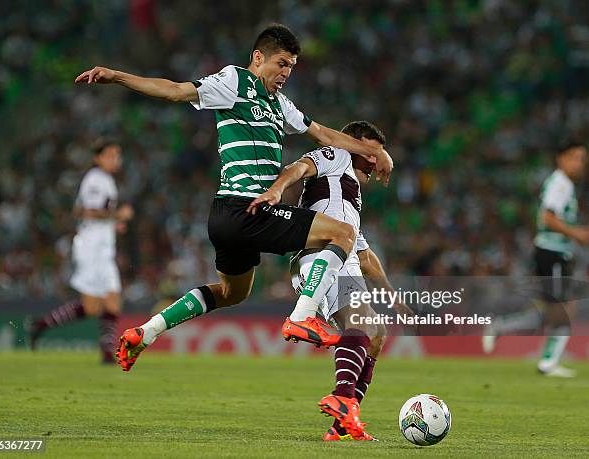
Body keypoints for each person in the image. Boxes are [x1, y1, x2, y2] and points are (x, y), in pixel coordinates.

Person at [74, 24, 394, 371]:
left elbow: (322, 133)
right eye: (281, 63)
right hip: (246, 207)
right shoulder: (234, 82)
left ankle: (147, 332)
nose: (286, 73)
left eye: (291, 67)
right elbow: (176, 91)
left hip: (228, 217)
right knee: (342, 233)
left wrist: (375, 152)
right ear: (258, 58)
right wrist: (117, 76)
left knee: (232, 293)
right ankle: (303, 315)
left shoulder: (280, 105)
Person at [249, 120, 412, 440]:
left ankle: (342, 422)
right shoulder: (336, 155)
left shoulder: (348, 199)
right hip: (322, 257)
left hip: (344, 257)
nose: (374, 159)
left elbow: (365, 256)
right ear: (353, 144)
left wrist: (393, 298)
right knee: (363, 325)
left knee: (376, 333)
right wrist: (277, 189)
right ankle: (341, 398)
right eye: (371, 150)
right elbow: (299, 167)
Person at [483, 143, 588, 377]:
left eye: (582, 159)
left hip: (554, 251)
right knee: (564, 309)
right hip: (552, 252)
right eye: (574, 157)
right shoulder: (560, 184)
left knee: (556, 308)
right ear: (560, 158)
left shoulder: (563, 184)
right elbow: (547, 217)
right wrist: (577, 233)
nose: (579, 163)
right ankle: (547, 361)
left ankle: (507, 330)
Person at [27, 139, 134, 363]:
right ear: (98, 157)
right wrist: (118, 216)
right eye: (111, 155)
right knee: (94, 305)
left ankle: (106, 353)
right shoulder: (96, 179)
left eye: (117, 155)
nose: (116, 160)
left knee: (110, 300)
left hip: (102, 246)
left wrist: (113, 223)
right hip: (92, 248)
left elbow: (79, 210)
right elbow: (89, 211)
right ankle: (41, 325)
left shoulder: (104, 180)